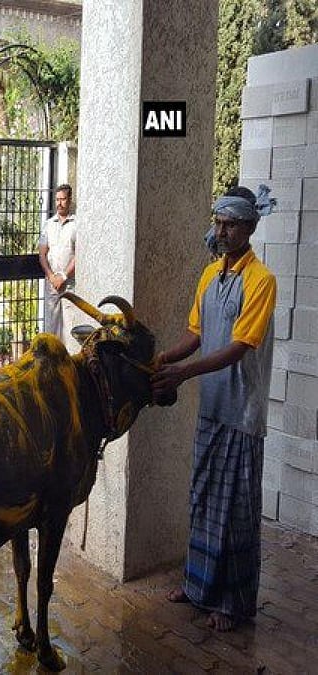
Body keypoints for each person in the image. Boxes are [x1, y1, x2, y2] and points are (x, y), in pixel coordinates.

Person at [153, 184, 277, 632]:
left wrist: (184, 374)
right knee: (204, 497)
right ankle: (197, 586)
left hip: (241, 412)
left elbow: (240, 346)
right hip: (212, 406)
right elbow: (198, 333)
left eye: (230, 225)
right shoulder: (209, 275)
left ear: (250, 227)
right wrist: (165, 358)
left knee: (237, 509)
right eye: (218, 223)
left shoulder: (261, 280)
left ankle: (232, 602)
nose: (221, 232)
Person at [38, 184, 76, 341]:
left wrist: (64, 276)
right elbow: (42, 254)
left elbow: (79, 254)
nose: (59, 203)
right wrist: (51, 276)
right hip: (52, 283)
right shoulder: (48, 224)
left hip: (70, 284)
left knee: (70, 325)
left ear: (70, 200)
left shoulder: (77, 224)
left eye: (63, 199)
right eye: (57, 199)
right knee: (51, 325)